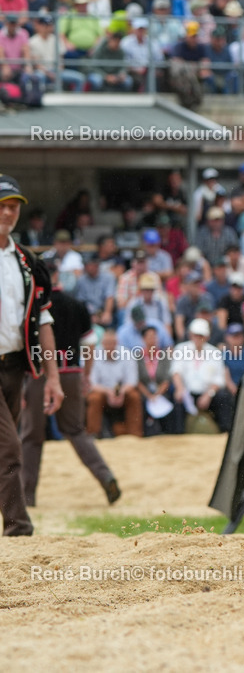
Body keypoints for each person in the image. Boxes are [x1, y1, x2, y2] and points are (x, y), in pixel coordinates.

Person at [20, 270, 120, 506]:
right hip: (72, 373)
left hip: (40, 375)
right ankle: (105, 476)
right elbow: (88, 345)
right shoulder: (77, 305)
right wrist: (85, 375)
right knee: (75, 431)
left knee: (32, 436)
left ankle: (28, 495)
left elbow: (24, 346)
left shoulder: (32, 305)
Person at [0, 175, 64, 536]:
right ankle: (18, 530)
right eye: (3, 205)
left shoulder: (27, 261)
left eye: (13, 206)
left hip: (14, 367)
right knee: (10, 449)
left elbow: (44, 320)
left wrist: (53, 377)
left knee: (3, 449)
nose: (8, 212)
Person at [170, 318, 232, 433]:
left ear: (207, 336)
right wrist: (180, 389)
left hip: (207, 394)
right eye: (195, 335)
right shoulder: (181, 349)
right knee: (176, 398)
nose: (198, 338)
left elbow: (219, 379)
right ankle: (177, 434)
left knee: (223, 397)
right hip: (187, 394)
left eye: (201, 335)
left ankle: (224, 431)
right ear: (190, 335)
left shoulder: (215, 353)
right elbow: (176, 372)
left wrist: (208, 394)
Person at [86, 327, 143, 438]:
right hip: (102, 392)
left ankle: (135, 434)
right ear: (102, 343)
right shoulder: (93, 355)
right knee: (94, 398)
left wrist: (121, 392)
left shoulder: (126, 353)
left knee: (134, 397)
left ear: (117, 343)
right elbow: (91, 383)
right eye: (106, 343)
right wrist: (108, 392)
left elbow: (132, 381)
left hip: (122, 391)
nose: (109, 346)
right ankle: (93, 434)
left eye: (112, 343)